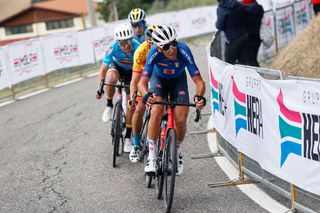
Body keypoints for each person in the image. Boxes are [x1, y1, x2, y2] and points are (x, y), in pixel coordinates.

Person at [138, 25, 206, 175]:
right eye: (167, 46)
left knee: (181, 119)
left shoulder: (184, 50)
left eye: (174, 43)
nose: (172, 48)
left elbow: (199, 82)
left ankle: (177, 151)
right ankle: (152, 155)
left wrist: (199, 96)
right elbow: (142, 82)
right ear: (158, 48)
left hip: (178, 82)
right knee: (156, 110)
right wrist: (146, 95)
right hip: (158, 81)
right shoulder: (153, 53)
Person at [96, 23, 140, 153]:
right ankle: (109, 105)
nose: (127, 46)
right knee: (110, 79)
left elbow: (143, 71)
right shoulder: (112, 48)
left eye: (129, 42)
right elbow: (103, 69)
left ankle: (128, 137)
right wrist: (100, 88)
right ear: (117, 42)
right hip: (117, 67)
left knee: (131, 103)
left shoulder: (137, 47)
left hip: (133, 71)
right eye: (123, 43)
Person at [128, 25, 158, 163]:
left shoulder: (164, 48)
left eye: (157, 42)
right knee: (139, 108)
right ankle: (135, 143)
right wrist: (133, 96)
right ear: (147, 41)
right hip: (144, 77)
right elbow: (135, 79)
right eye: (151, 42)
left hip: (159, 76)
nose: (154, 45)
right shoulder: (141, 51)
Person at [215, 0, 249, 65]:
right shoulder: (236, 3)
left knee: (228, 64)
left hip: (233, 39)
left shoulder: (221, 8)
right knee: (244, 64)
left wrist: (216, 23)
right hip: (244, 34)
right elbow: (245, 11)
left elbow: (219, 26)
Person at [242, 0, 264, 67]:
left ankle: (257, 76)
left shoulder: (244, 11)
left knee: (250, 61)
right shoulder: (260, 8)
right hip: (257, 36)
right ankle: (259, 74)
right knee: (254, 59)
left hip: (249, 38)